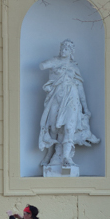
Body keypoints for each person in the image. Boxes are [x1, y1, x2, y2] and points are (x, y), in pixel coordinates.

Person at [38, 39, 100, 169]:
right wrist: (54, 64)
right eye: (62, 48)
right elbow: (42, 65)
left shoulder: (74, 67)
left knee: (69, 126)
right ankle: (49, 154)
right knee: (53, 127)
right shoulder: (55, 61)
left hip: (72, 98)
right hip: (56, 97)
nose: (63, 50)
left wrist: (86, 108)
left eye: (66, 48)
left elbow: (80, 89)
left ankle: (66, 157)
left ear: (72, 51)